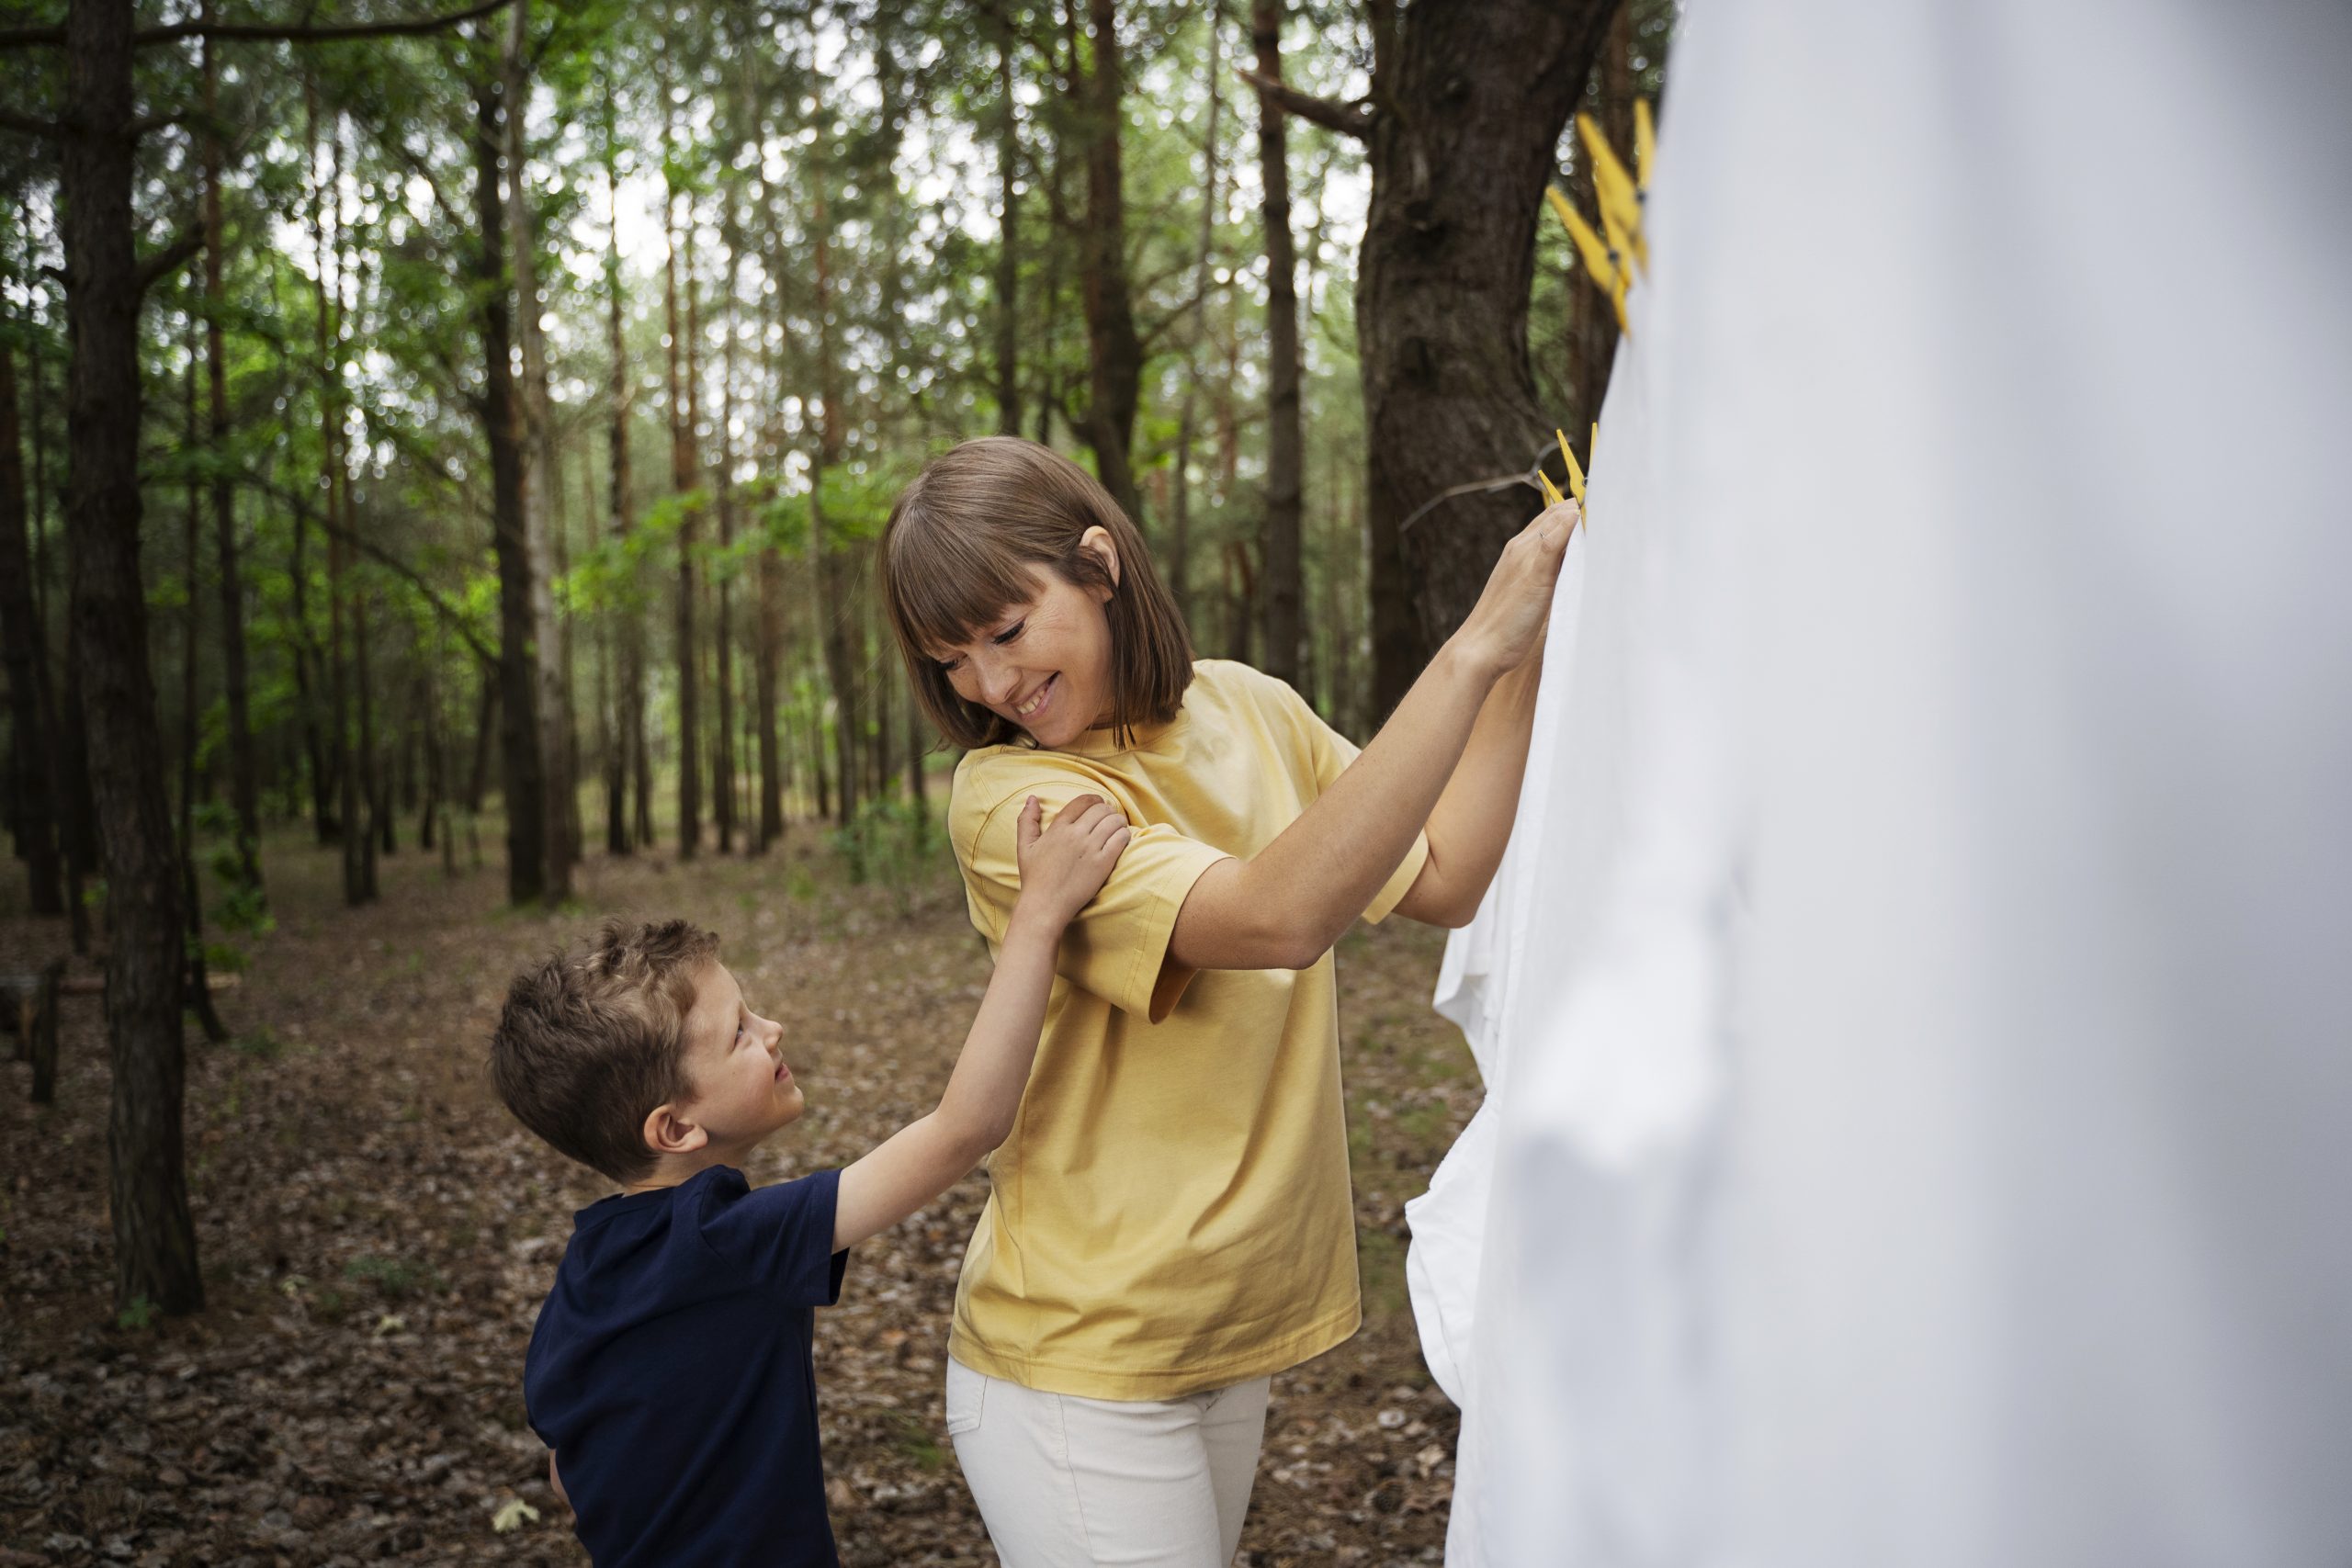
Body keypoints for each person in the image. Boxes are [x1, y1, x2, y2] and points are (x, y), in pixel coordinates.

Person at [878, 435, 1574, 1567]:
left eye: (1004, 633)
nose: (990, 685)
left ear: (1098, 566)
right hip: (1079, 1361)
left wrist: (1522, 659)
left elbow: (1445, 873)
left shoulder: (1249, 709)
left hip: (1217, 1337)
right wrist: (1466, 654)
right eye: (951, 661)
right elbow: (1273, 921)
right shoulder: (1015, 798)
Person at [488, 791, 1131, 1568]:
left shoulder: (586, 1273)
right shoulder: (724, 1241)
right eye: (739, 1034)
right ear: (677, 1127)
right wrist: (1040, 914)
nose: (773, 1029)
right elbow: (965, 1127)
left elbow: (566, 1471)